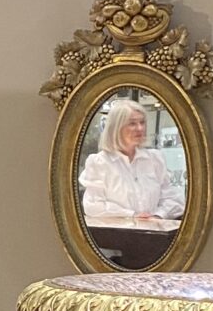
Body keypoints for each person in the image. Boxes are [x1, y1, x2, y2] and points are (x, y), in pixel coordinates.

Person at [78, 97, 184, 232]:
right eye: (132, 123)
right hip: (115, 237)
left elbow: (173, 199)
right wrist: (132, 215)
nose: (140, 128)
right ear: (116, 127)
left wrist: (158, 215)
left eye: (142, 122)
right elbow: (93, 206)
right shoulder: (100, 163)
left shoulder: (154, 159)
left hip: (155, 236)